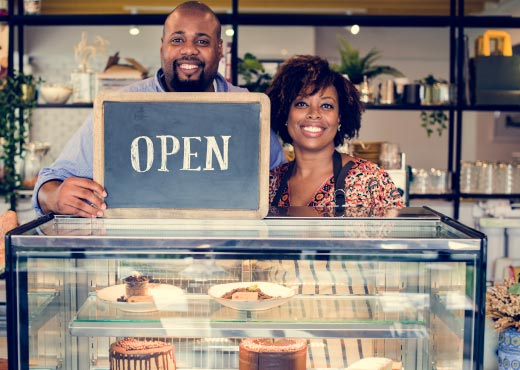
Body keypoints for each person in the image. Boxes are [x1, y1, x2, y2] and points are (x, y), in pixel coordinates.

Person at [32, 1, 286, 218]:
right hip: (139, 265)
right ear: (163, 46)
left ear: (219, 49)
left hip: (228, 261)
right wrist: (55, 197)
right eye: (178, 40)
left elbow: (281, 184)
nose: (189, 50)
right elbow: (51, 180)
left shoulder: (249, 110)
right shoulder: (120, 107)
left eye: (202, 40)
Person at [267, 55, 404, 213]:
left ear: (339, 117)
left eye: (326, 105)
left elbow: (400, 237)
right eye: (301, 103)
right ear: (285, 114)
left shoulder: (370, 180)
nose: (314, 114)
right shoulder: (271, 182)